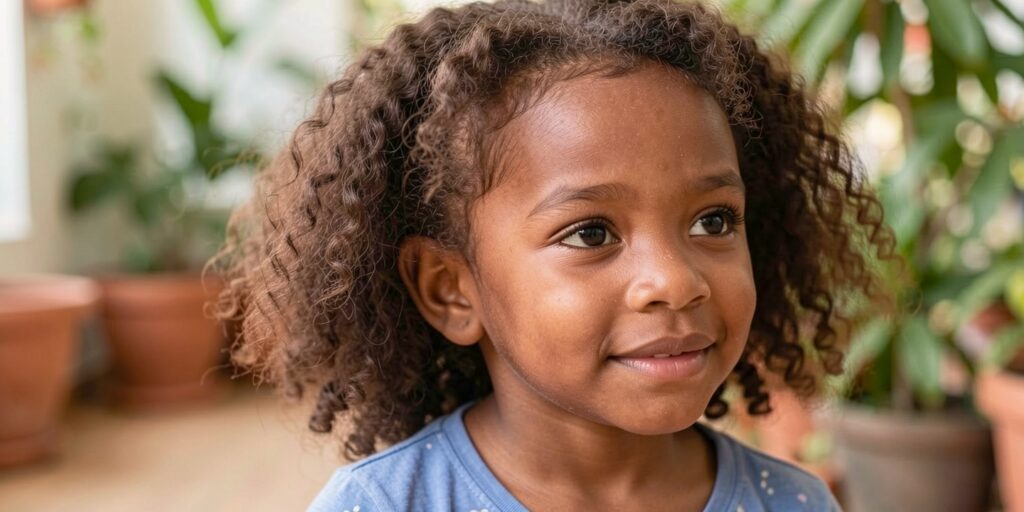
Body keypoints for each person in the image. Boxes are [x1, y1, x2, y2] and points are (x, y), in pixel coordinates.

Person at [210, 0, 900, 509]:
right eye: (592, 233)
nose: (673, 280)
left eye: (713, 219)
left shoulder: (794, 503)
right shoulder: (383, 506)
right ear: (452, 289)